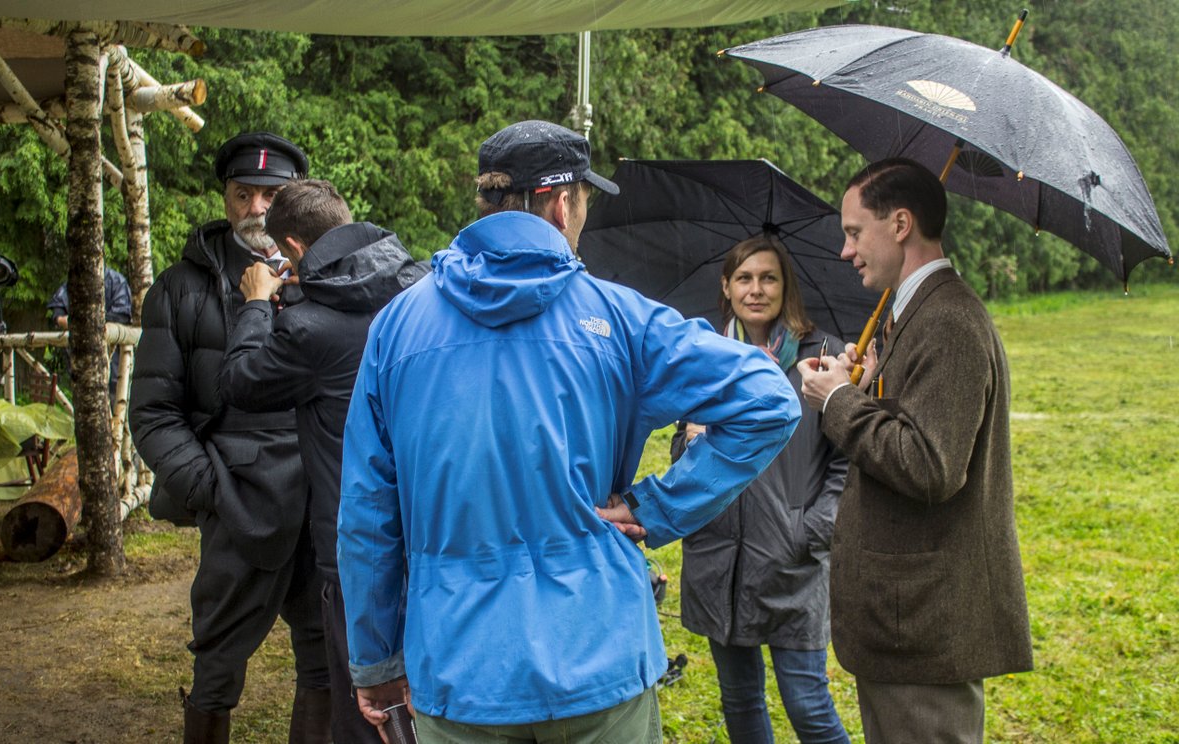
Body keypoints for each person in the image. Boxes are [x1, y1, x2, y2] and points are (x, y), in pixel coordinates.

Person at [337, 119, 803, 742]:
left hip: (459, 667)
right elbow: (769, 396)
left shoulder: (395, 328)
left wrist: (374, 660)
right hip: (598, 655)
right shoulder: (620, 317)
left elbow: (367, 512)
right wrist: (657, 507)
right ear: (561, 203)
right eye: (584, 202)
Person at [797, 158, 1033, 743]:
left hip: (925, 631)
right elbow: (914, 430)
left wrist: (838, 403)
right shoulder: (917, 318)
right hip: (905, 628)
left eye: (855, 232)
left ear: (900, 224)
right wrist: (867, 389)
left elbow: (931, 466)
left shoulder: (948, 321)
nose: (846, 251)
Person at [129, 132, 331, 744]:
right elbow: (153, 412)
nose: (256, 210)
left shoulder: (330, 281)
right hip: (234, 495)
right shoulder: (179, 290)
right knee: (216, 663)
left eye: (270, 196)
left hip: (320, 499)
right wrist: (211, 488)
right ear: (226, 197)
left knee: (324, 659)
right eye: (243, 194)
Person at [218, 178, 427, 743]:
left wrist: (259, 304)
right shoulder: (421, 291)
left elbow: (240, 381)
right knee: (430, 698)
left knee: (365, 708)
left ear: (295, 248)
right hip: (435, 528)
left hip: (354, 540)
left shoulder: (307, 328)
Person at [673, 233, 850, 744]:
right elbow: (682, 457)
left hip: (790, 559)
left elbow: (846, 462)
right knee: (740, 703)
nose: (756, 289)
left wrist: (813, 529)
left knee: (809, 705)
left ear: (784, 286)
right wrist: (690, 439)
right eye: (744, 278)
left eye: (768, 277)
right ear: (726, 287)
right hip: (719, 559)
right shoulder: (705, 356)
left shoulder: (821, 358)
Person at [46, 266, 132, 398]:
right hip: (80, 362)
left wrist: (82, 322)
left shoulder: (116, 282)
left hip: (114, 363)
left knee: (115, 402)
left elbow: (121, 317)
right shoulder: (72, 284)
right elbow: (58, 316)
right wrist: (86, 323)